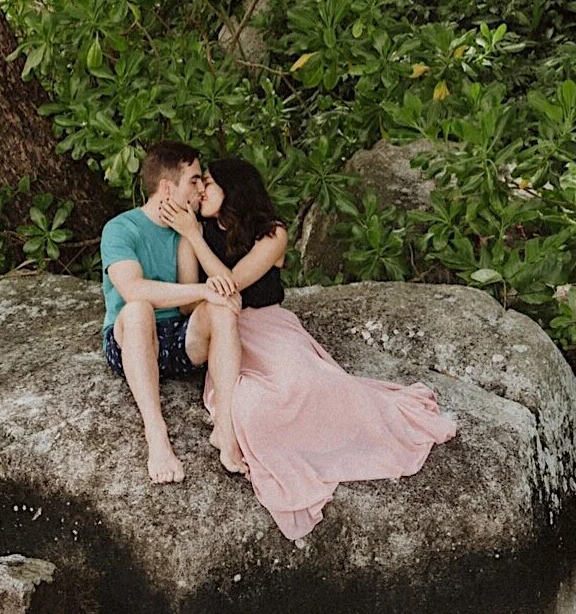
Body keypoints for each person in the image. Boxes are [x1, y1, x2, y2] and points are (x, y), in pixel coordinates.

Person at [159, 157, 458, 540]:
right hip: (227, 331)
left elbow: (230, 285)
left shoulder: (272, 235)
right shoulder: (194, 233)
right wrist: (192, 238)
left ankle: (345, 438)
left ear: (234, 189)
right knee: (252, 406)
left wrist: (196, 239)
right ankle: (229, 434)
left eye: (209, 183)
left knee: (312, 386)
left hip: (271, 326)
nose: (200, 190)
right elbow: (189, 306)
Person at [101, 141, 248, 484]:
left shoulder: (186, 230)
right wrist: (204, 290)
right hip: (130, 340)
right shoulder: (120, 228)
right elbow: (133, 289)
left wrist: (192, 239)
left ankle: (225, 429)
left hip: (177, 342)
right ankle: (157, 435)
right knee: (138, 310)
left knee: (221, 310)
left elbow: (186, 307)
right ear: (167, 188)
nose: (201, 189)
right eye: (194, 180)